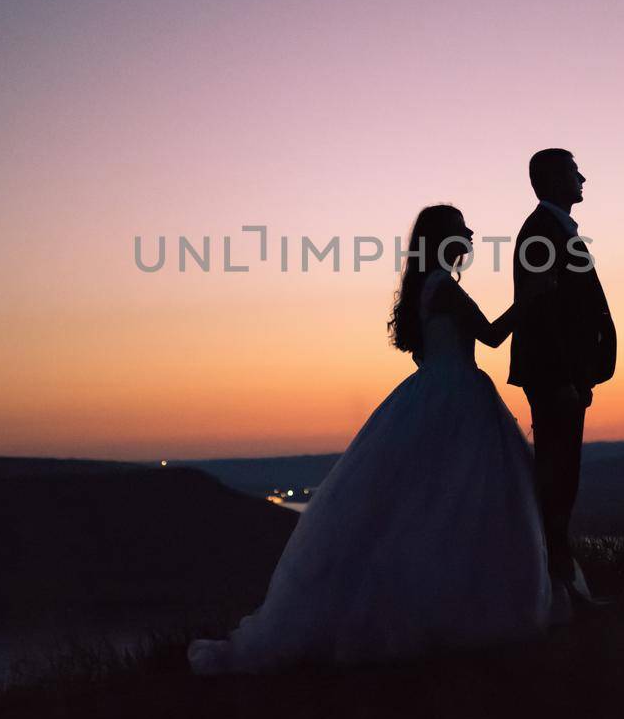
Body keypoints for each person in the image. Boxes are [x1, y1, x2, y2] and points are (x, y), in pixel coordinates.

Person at [188, 204, 563, 674]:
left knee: (433, 504)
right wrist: (531, 297)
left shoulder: (427, 288)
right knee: (464, 503)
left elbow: (426, 356)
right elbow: (490, 337)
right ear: (445, 237)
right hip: (459, 394)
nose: (471, 233)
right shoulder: (444, 287)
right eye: (462, 227)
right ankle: (466, 612)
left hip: (436, 390)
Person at [509, 149, 616, 608]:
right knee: (557, 478)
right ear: (553, 180)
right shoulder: (540, 233)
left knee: (562, 477)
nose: (583, 178)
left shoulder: (552, 230)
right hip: (555, 377)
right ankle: (555, 589)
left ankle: (559, 587)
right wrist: (566, 378)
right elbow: (543, 314)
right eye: (575, 171)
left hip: (566, 376)